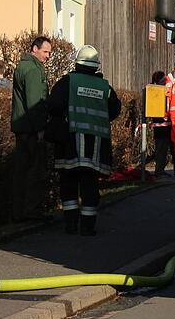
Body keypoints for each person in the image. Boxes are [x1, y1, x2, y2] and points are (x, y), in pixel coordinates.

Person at [47, 46, 121, 235]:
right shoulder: (105, 86)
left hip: (70, 141)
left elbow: (53, 105)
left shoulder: (67, 82)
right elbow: (115, 109)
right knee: (90, 184)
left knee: (68, 182)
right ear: (96, 66)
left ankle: (71, 224)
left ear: (77, 63)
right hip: (96, 143)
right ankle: (88, 227)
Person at [10, 36, 52, 221]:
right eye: (45, 52)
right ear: (35, 49)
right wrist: (41, 129)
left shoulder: (21, 66)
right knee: (35, 170)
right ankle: (33, 211)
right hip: (32, 129)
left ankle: (18, 212)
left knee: (21, 170)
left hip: (21, 125)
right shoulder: (34, 70)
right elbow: (35, 102)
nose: (48, 56)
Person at [149, 70, 174, 177]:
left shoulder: (156, 91)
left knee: (163, 149)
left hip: (164, 125)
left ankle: (160, 170)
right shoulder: (158, 92)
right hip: (162, 126)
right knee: (162, 149)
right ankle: (159, 171)